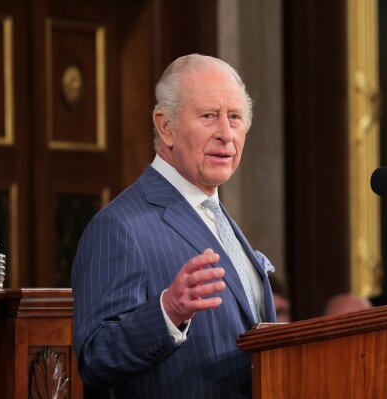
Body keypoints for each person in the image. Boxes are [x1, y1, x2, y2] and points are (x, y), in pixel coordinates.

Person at [72, 54, 277, 398]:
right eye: (209, 116)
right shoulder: (119, 226)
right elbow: (96, 357)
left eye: (235, 117)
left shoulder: (215, 214)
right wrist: (168, 312)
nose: (226, 134)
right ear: (165, 127)